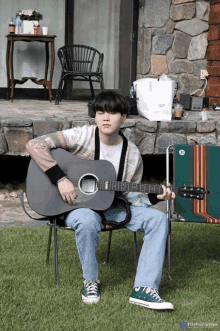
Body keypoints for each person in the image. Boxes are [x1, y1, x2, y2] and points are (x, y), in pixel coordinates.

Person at [26, 90, 175, 310]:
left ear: (123, 118)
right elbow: (34, 145)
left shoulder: (132, 154)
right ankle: (91, 280)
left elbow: (130, 196)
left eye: (113, 113)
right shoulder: (82, 135)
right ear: (95, 116)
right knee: (87, 219)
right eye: (100, 112)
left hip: (113, 208)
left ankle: (145, 289)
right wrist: (60, 179)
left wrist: (154, 196)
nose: (106, 117)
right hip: (76, 205)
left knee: (158, 219)